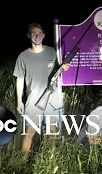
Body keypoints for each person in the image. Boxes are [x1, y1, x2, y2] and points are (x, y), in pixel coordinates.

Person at [13, 23, 70, 152]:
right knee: (28, 134)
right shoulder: (23, 56)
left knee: (52, 133)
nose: (37, 35)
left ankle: (49, 162)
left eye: (40, 33)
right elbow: (19, 79)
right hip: (33, 102)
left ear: (44, 35)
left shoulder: (52, 52)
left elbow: (58, 71)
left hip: (53, 101)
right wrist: (19, 101)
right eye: (34, 33)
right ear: (29, 35)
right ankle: (21, 163)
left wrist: (64, 68)